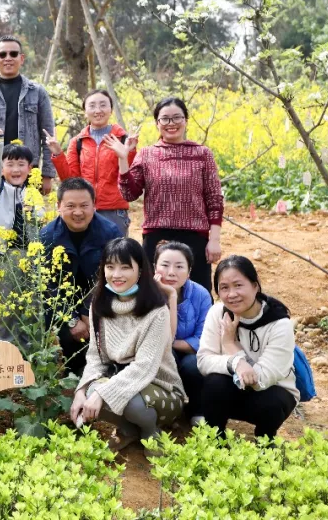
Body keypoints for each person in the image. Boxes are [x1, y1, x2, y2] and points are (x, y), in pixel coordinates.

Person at [70, 238, 185, 452]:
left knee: (128, 400)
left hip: (161, 389)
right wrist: (81, 390)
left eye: (125, 267)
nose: (116, 275)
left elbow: (144, 367)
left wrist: (100, 394)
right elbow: (96, 356)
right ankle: (128, 430)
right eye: (110, 267)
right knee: (90, 391)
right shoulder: (100, 304)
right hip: (122, 379)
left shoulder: (156, 311)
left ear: (140, 270)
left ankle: (151, 431)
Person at [115, 97, 224, 293]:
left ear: (186, 121)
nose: (171, 124)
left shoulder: (202, 153)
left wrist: (214, 240)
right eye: (164, 119)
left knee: (197, 293)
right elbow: (129, 193)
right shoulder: (147, 154)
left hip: (195, 236)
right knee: (153, 294)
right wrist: (123, 159)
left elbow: (214, 198)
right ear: (157, 123)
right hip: (157, 236)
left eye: (176, 118)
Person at [196, 256, 299, 439]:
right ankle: (215, 441)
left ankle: (265, 441)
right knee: (213, 384)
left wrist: (231, 345)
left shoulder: (279, 324)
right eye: (224, 287)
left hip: (269, 393)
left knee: (273, 403)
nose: (231, 294)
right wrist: (235, 363)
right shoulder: (218, 313)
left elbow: (262, 380)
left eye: (238, 285)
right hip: (234, 390)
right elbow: (203, 360)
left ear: (255, 286)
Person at [38, 178, 125, 376]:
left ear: (95, 206)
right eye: (70, 206)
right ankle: (74, 376)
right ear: (59, 206)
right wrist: (72, 320)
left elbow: (112, 277)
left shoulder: (109, 232)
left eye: (84, 206)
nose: (78, 212)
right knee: (71, 346)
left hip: (101, 301)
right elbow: (48, 284)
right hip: (62, 304)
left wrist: (88, 312)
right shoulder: (47, 236)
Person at [48, 89, 134, 235]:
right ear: (85, 111)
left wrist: (128, 152)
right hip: (83, 210)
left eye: (103, 105)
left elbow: (128, 179)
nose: (98, 110)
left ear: (111, 110)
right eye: (92, 106)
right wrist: (57, 153)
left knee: (115, 257)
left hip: (114, 211)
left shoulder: (124, 140)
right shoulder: (77, 142)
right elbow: (70, 181)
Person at [0, 36, 56, 194]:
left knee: (28, 217)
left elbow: (48, 135)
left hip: (27, 170)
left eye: (13, 54)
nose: (8, 58)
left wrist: (47, 174)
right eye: (2, 54)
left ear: (22, 58)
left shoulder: (37, 92)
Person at [153, 241, 211, 424]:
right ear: (154, 267)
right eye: (164, 265)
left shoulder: (200, 294)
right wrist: (166, 296)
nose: (171, 272)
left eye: (179, 266)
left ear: (189, 271)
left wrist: (171, 344)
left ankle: (196, 410)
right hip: (157, 352)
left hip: (189, 353)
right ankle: (165, 410)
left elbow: (204, 338)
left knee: (193, 365)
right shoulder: (146, 293)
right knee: (163, 359)